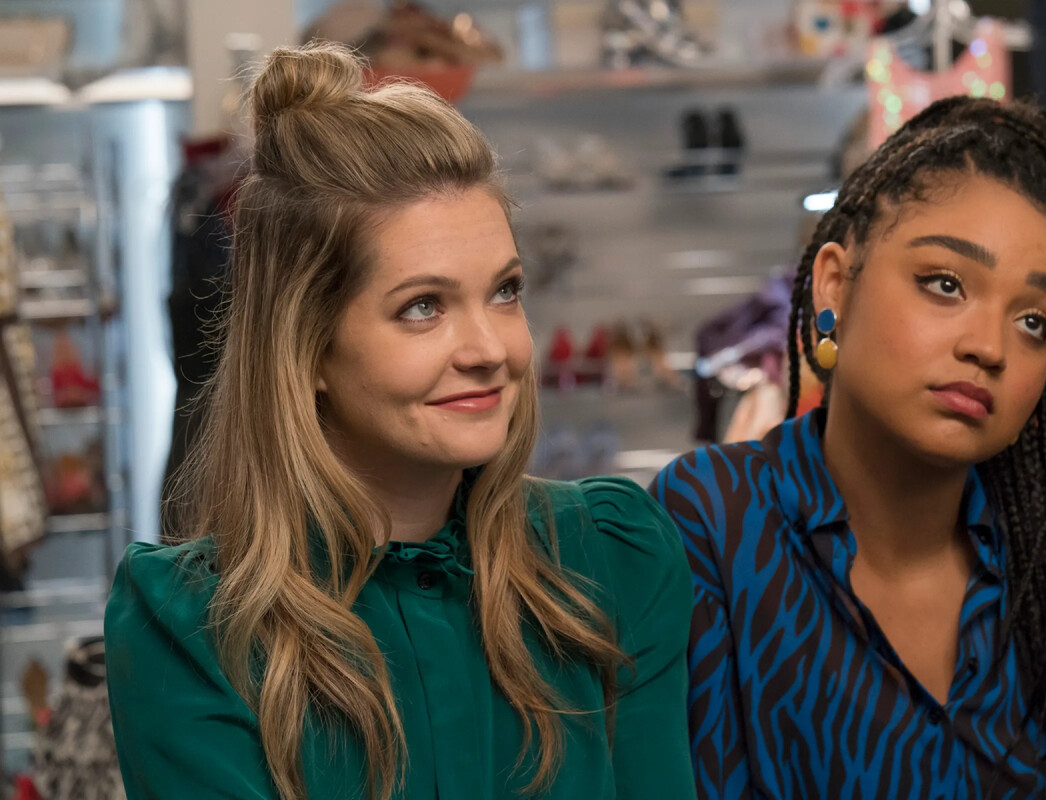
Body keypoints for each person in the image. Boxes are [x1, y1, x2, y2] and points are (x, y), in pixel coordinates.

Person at [104, 43, 695, 800]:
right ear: (307, 346)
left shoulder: (611, 560)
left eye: (506, 291)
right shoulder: (189, 629)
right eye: (423, 307)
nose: (490, 350)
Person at [653, 96, 1046, 800]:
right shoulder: (714, 524)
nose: (988, 346)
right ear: (834, 285)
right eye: (945, 284)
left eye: (1033, 322)